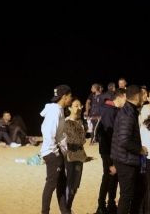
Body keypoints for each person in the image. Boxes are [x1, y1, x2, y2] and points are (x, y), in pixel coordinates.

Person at [112, 85, 147, 214]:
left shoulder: (130, 110)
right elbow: (124, 140)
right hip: (125, 160)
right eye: (143, 94)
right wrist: (140, 150)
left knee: (136, 192)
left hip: (125, 159)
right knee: (126, 196)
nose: (145, 97)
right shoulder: (127, 113)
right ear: (137, 96)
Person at [40, 84, 74, 214]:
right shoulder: (55, 111)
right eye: (70, 96)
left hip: (56, 152)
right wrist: (55, 153)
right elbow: (48, 133)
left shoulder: (58, 109)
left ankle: (65, 211)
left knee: (61, 182)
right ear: (64, 97)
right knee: (51, 184)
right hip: (52, 153)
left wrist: (64, 151)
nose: (71, 98)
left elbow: (59, 135)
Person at [96, 89, 125, 214]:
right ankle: (102, 206)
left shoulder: (112, 109)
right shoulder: (109, 110)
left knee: (113, 177)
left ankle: (110, 204)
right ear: (121, 97)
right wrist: (113, 155)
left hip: (111, 150)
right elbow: (109, 134)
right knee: (108, 176)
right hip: (109, 150)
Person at [63, 98, 88, 212]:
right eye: (75, 106)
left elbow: (82, 140)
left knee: (75, 185)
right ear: (69, 108)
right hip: (69, 156)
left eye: (80, 105)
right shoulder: (66, 122)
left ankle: (68, 207)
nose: (78, 108)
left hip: (79, 155)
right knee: (69, 183)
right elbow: (76, 139)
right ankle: (66, 209)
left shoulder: (81, 122)